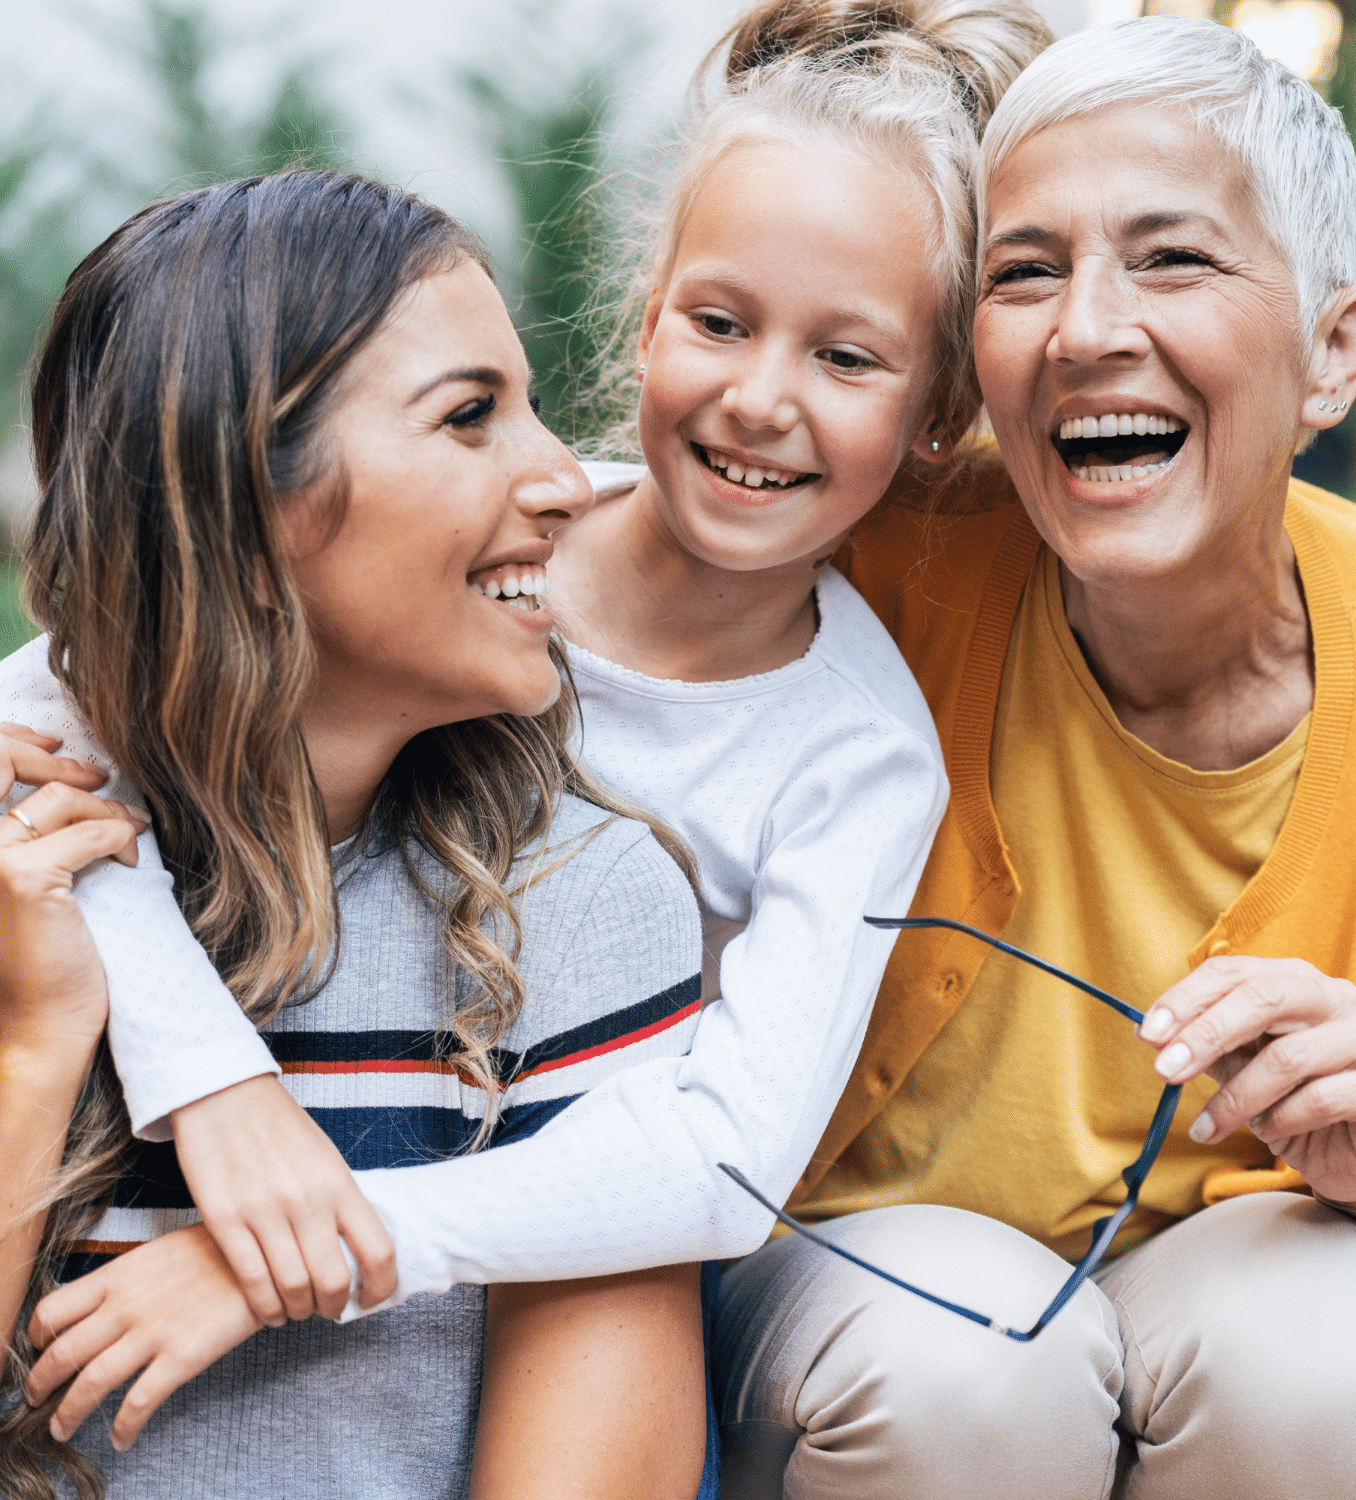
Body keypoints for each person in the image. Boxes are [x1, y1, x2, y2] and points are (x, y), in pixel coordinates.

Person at [3, 0, 1052, 1474]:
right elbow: (63, 696)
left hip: (586, 1208)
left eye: (851, 360)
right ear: (647, 320)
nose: (761, 398)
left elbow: (706, 1165)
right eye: (719, 323)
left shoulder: (820, 771)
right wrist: (187, 1064)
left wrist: (305, 1241)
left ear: (940, 416)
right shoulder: (497, 564)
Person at [711, 17, 1356, 1500]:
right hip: (860, 1297)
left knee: (1319, 1352)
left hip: (1228, 1282)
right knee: (977, 1363)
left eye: (1173, 259)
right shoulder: (863, 561)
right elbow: (573, 564)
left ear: (1337, 350)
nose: (1084, 329)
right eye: (1023, 271)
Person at [0, 170, 711, 1500]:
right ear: (240, 499)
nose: (564, 479)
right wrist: (37, 1047)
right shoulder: (20, 887)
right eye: (470, 417)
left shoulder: (576, 905)